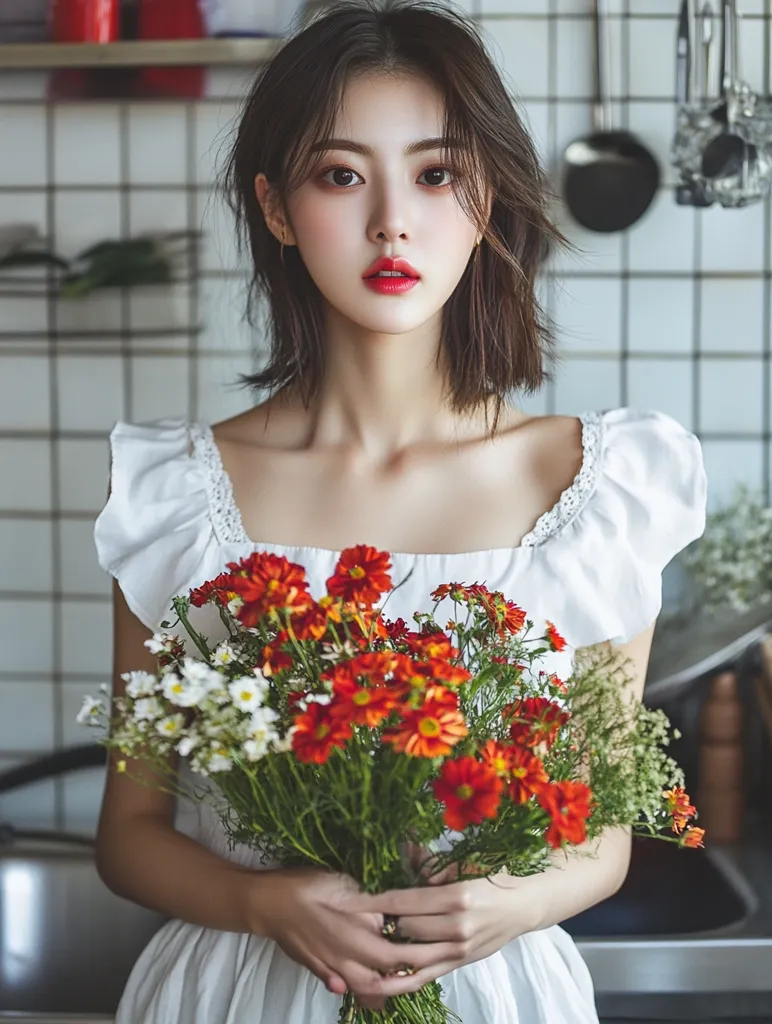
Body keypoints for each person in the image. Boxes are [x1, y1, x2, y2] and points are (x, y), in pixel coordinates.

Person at [92, 1, 708, 1021]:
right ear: (277, 207)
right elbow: (131, 832)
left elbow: (598, 835)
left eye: (434, 173)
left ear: (486, 195)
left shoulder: (596, 485)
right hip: (238, 993)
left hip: (492, 990)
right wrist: (264, 900)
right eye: (341, 174)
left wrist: (505, 904)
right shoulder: (173, 495)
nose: (391, 221)